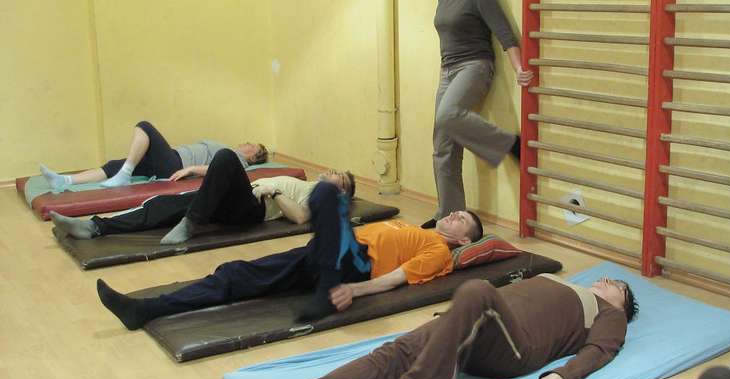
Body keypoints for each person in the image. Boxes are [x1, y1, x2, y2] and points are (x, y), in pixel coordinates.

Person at [249, 274, 638, 379]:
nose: (608, 281)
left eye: (618, 286)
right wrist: (452, 322)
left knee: (478, 289)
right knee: (395, 351)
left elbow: (601, 350)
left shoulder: (610, 314)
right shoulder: (564, 281)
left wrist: (561, 377)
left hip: (518, 347)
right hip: (475, 326)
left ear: (622, 304)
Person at [96, 181, 483, 328]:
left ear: (465, 240)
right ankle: (145, 309)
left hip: (353, 265)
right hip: (327, 254)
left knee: (327, 194)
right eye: (456, 211)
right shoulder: (415, 228)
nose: (453, 214)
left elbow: (396, 280)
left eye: (461, 219)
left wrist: (350, 291)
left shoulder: (438, 251)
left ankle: (326, 290)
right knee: (235, 274)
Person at [421, 0, 535, 228]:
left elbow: (505, 33)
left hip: (475, 66)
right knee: (442, 145)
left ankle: (508, 143)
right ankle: (449, 216)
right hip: (447, 71)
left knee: (447, 115)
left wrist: (519, 68)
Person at [50, 146, 354, 245]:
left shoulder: (321, 195)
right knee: (164, 204)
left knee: (226, 156)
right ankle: (95, 226)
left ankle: (191, 222)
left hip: (252, 209)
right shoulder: (311, 184)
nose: (331, 171)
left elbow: (300, 217)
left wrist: (273, 191)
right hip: (241, 198)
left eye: (338, 177)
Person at [39, 120, 267, 191]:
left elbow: (217, 170)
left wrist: (190, 169)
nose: (246, 142)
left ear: (253, 156)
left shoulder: (239, 161)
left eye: (251, 145)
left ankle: (125, 175)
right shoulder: (229, 149)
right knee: (114, 165)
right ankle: (64, 180)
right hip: (171, 160)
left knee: (144, 126)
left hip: (175, 165)